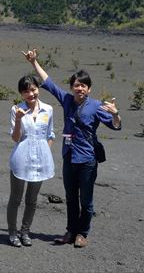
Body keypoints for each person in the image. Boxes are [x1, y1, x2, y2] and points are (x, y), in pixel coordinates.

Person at [22, 49, 121, 248]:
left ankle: (82, 233)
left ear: (89, 89)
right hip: (69, 156)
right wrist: (34, 63)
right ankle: (71, 231)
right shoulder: (67, 100)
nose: (79, 88)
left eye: (83, 85)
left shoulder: (97, 106)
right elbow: (48, 83)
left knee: (86, 199)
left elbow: (116, 125)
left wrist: (116, 114)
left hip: (87, 159)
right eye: (76, 85)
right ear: (72, 87)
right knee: (70, 197)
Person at [7, 75, 56, 248]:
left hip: (41, 160)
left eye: (33, 89)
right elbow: (15, 138)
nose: (31, 94)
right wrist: (19, 119)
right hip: (21, 159)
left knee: (32, 199)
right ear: (21, 94)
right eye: (26, 91)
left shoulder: (48, 109)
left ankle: (25, 232)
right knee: (15, 198)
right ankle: (12, 233)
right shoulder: (16, 109)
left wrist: (45, 152)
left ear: (38, 89)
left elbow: (50, 134)